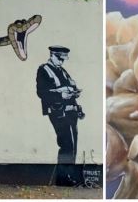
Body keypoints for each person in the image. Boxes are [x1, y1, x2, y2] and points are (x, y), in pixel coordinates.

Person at [36, 45, 83, 187]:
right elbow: (41, 92)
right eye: (59, 59)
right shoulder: (44, 69)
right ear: (52, 55)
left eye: (63, 60)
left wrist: (74, 92)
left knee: (73, 144)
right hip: (58, 112)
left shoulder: (62, 70)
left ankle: (68, 176)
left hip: (70, 111)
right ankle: (63, 178)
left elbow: (71, 85)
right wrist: (60, 93)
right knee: (66, 144)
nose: (61, 62)